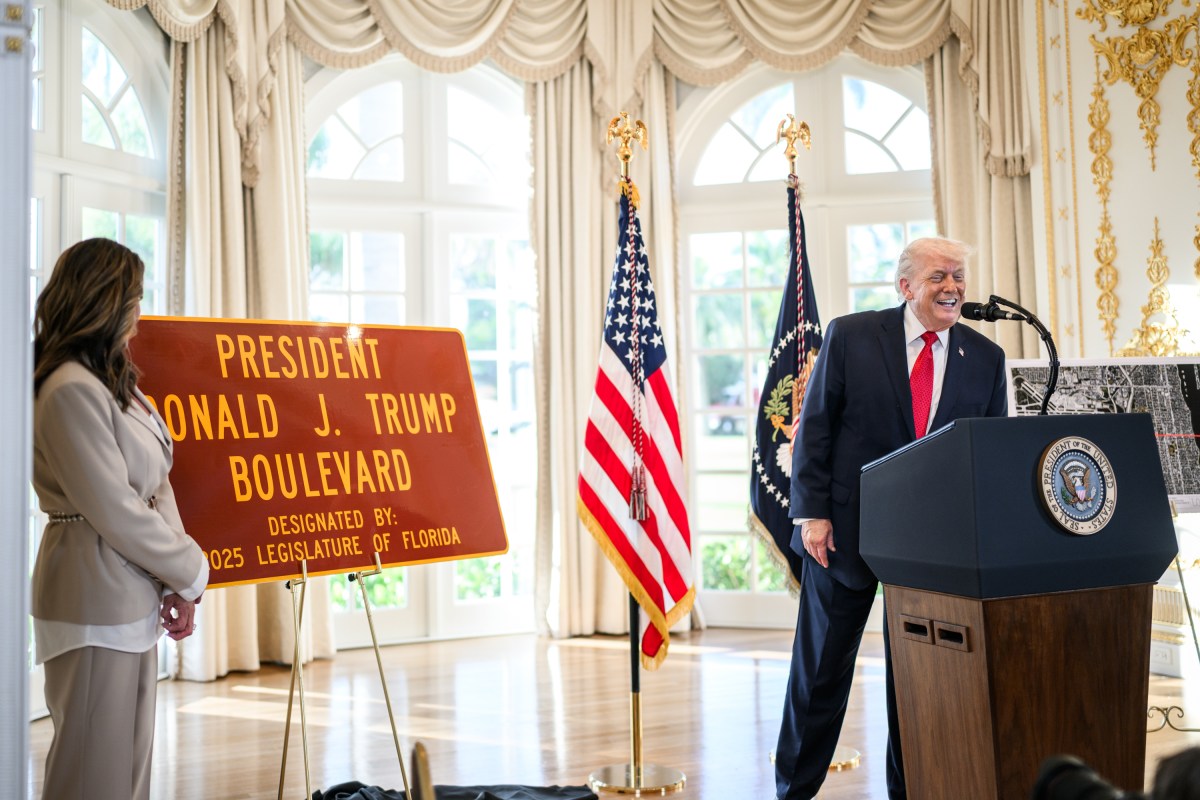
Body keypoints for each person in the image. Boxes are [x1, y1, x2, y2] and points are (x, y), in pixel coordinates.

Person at [775, 237, 1008, 800]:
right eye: (937, 277)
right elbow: (817, 428)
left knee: (917, 683)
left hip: (933, 549)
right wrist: (812, 516)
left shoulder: (986, 358)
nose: (951, 287)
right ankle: (793, 790)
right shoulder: (853, 335)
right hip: (844, 535)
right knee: (822, 674)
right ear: (906, 286)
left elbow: (988, 453)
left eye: (958, 276)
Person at [31, 238, 209, 800]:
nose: (140, 310)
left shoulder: (118, 386)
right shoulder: (67, 390)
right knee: (92, 776)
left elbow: (156, 482)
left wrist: (173, 582)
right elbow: (117, 509)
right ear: (105, 301)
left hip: (129, 595)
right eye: (134, 296)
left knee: (127, 774)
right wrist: (190, 568)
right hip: (89, 597)